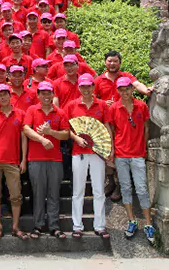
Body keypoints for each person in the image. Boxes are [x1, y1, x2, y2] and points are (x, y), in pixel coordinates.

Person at [106, 77, 155, 245]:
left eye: (127, 89)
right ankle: (131, 220)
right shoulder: (114, 108)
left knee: (141, 188)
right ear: (117, 91)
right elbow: (112, 131)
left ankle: (148, 223)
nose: (124, 92)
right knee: (125, 188)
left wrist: (144, 148)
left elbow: (146, 128)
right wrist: (113, 152)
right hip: (121, 154)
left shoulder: (141, 106)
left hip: (138, 153)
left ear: (132, 89)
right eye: (121, 89)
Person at [66, 74, 112, 239]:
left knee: (99, 190)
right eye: (83, 86)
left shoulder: (102, 105)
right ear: (79, 88)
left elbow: (106, 127)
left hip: (98, 153)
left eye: (89, 86)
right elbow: (66, 128)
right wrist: (76, 138)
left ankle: (100, 226)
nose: (86, 89)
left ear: (93, 87)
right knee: (78, 190)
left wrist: (110, 150)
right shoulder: (71, 105)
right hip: (78, 152)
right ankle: (77, 226)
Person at [22, 81, 70, 240]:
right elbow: (26, 129)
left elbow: (66, 134)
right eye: (43, 93)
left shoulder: (60, 112)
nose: (46, 96)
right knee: (38, 193)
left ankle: (54, 226)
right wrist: (42, 139)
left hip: (55, 159)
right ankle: (38, 225)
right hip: (35, 159)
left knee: (54, 193)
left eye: (49, 93)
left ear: (53, 94)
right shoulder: (32, 110)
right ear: (38, 95)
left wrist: (51, 132)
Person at [0, 84, 29, 240]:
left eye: (5, 94)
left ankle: (15, 227)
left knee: (16, 195)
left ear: (10, 95)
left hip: (12, 160)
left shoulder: (20, 114)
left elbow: (24, 138)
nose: (3, 97)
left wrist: (23, 159)